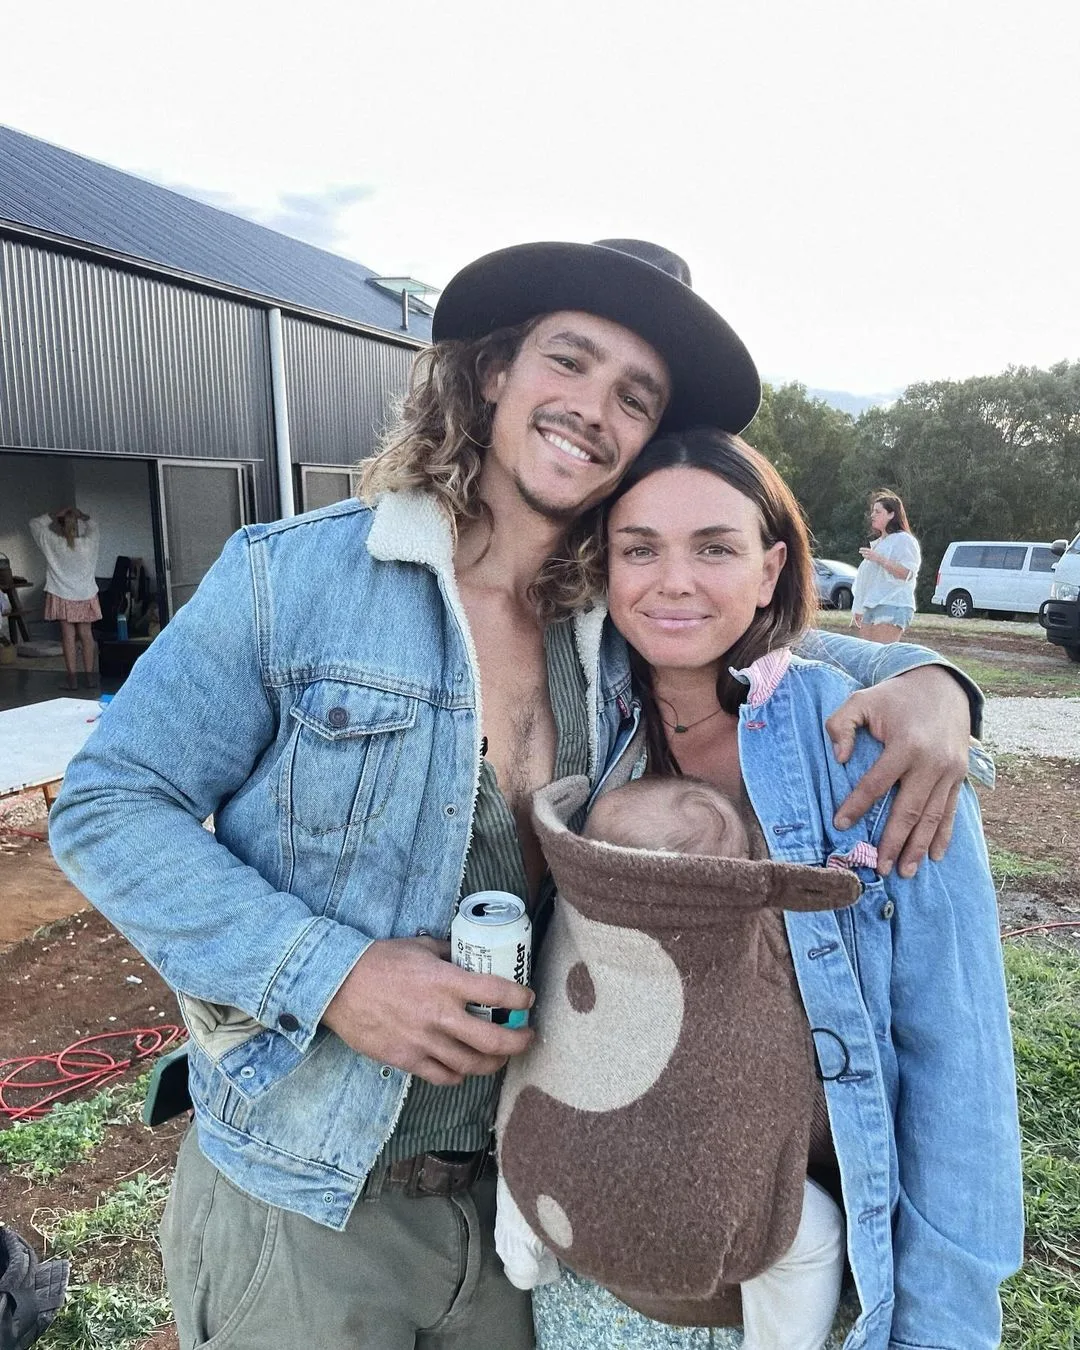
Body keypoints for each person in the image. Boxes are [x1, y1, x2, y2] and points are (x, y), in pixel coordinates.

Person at [50, 239, 981, 1350]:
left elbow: (759, 625)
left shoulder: (616, 626)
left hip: (524, 1210)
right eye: (569, 362)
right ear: (493, 373)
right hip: (310, 1201)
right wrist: (332, 972)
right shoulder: (290, 578)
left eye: (633, 396)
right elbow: (108, 802)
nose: (592, 409)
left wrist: (934, 681)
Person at [521, 429, 1022, 1349]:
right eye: (640, 549)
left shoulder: (874, 761)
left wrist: (942, 1333)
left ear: (771, 566)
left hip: (795, 1285)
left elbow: (959, 1072)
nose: (674, 580)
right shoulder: (585, 727)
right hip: (594, 1286)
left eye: (715, 547)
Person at [497, 775, 847, 1350]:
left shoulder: (575, 920)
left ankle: (523, 1255)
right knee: (810, 1237)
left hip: (561, 1165)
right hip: (717, 1193)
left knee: (526, 1148)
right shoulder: (747, 945)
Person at [28, 507, 101, 689]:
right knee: (86, 635)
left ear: (60, 527)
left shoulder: (53, 543)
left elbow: (34, 524)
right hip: (86, 594)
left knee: (68, 637)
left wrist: (55, 514)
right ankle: (90, 677)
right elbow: (94, 526)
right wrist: (81, 515)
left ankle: (72, 679)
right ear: (77, 526)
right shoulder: (88, 544)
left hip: (62, 594)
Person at [852, 491, 921, 642]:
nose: (872, 515)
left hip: (892, 604)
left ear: (891, 514)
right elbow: (867, 581)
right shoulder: (878, 544)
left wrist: (879, 559)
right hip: (870, 607)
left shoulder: (904, 540)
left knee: (880, 655)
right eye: (872, 511)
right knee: (867, 656)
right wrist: (858, 608)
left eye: (878, 511)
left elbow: (907, 573)